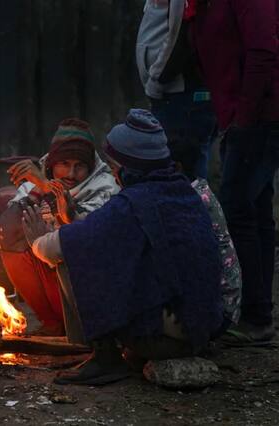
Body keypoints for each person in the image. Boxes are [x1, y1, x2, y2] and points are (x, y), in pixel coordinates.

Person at [22, 109, 223, 386]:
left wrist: (37, 242)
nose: (114, 173)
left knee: (76, 256)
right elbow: (109, 233)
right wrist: (73, 219)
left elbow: (65, 246)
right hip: (202, 325)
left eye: (116, 166)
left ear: (130, 166)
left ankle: (105, 357)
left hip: (169, 337)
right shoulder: (180, 190)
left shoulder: (132, 203)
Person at [191, 0, 279, 344]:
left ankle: (254, 316)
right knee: (254, 209)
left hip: (259, 119)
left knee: (237, 208)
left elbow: (263, 52)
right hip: (243, 117)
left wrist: (244, 117)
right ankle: (258, 313)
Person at [0, 119, 119, 336]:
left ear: (90, 167)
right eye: (64, 164)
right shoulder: (36, 180)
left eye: (79, 166)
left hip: (91, 290)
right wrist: (39, 190)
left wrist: (49, 192)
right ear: (52, 163)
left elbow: (86, 236)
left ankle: (82, 327)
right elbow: (8, 228)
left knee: (66, 244)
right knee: (13, 234)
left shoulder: (105, 187)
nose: (71, 174)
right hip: (52, 278)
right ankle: (52, 323)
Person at [167, 132, 241, 333]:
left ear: (177, 167)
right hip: (224, 304)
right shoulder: (198, 188)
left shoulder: (192, 200)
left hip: (219, 310)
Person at [136, 0, 216, 179]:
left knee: (183, 170)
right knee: (184, 167)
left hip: (179, 93)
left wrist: (156, 81)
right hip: (172, 92)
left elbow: (179, 38)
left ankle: (194, 197)